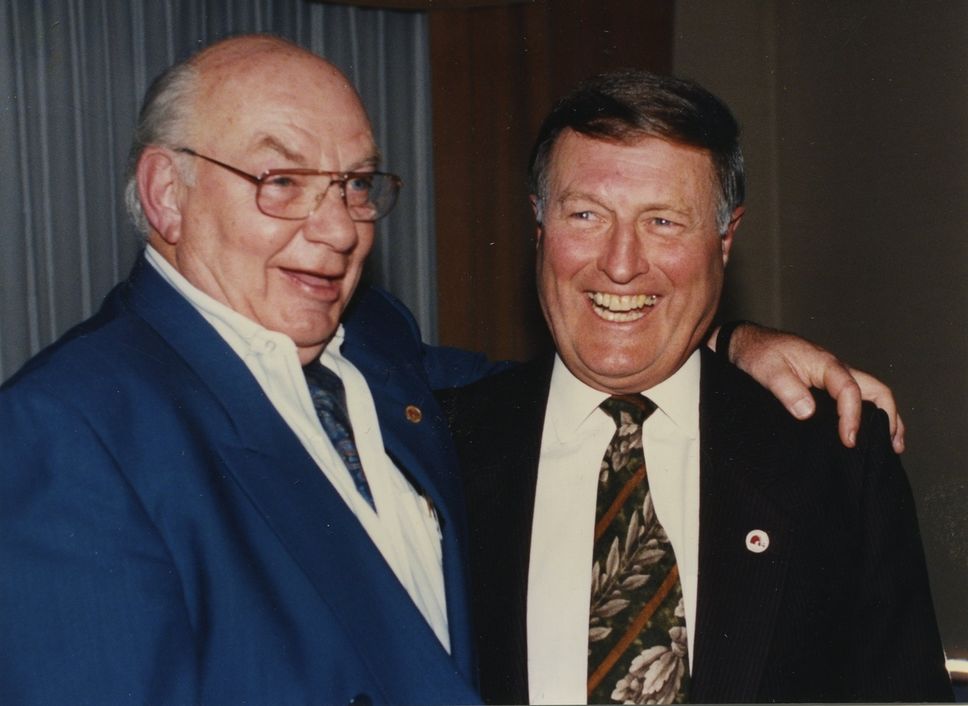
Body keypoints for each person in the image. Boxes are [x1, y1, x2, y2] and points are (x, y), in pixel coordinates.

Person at [0, 35, 906, 704]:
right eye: (282, 182)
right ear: (166, 194)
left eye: (355, 185)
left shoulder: (378, 353)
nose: (338, 230)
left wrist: (724, 342)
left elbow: (583, 362)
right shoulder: (68, 429)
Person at [440, 70, 953, 704]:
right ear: (540, 226)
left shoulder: (835, 458)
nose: (621, 264)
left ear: (726, 239)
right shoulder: (441, 450)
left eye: (663, 221)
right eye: (586, 214)